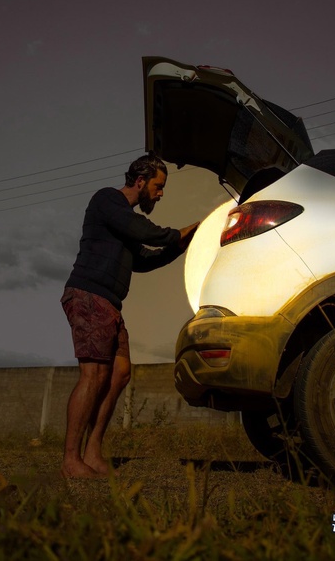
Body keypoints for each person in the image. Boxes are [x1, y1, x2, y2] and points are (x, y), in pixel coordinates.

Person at [60, 152, 198, 478]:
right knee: (93, 376)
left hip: (110, 304)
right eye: (158, 186)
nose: (161, 194)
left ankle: (92, 451)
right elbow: (144, 231)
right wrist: (181, 232)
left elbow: (145, 259)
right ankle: (70, 460)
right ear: (140, 181)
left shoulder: (125, 223)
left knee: (120, 373)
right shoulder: (108, 201)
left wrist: (180, 246)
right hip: (89, 295)